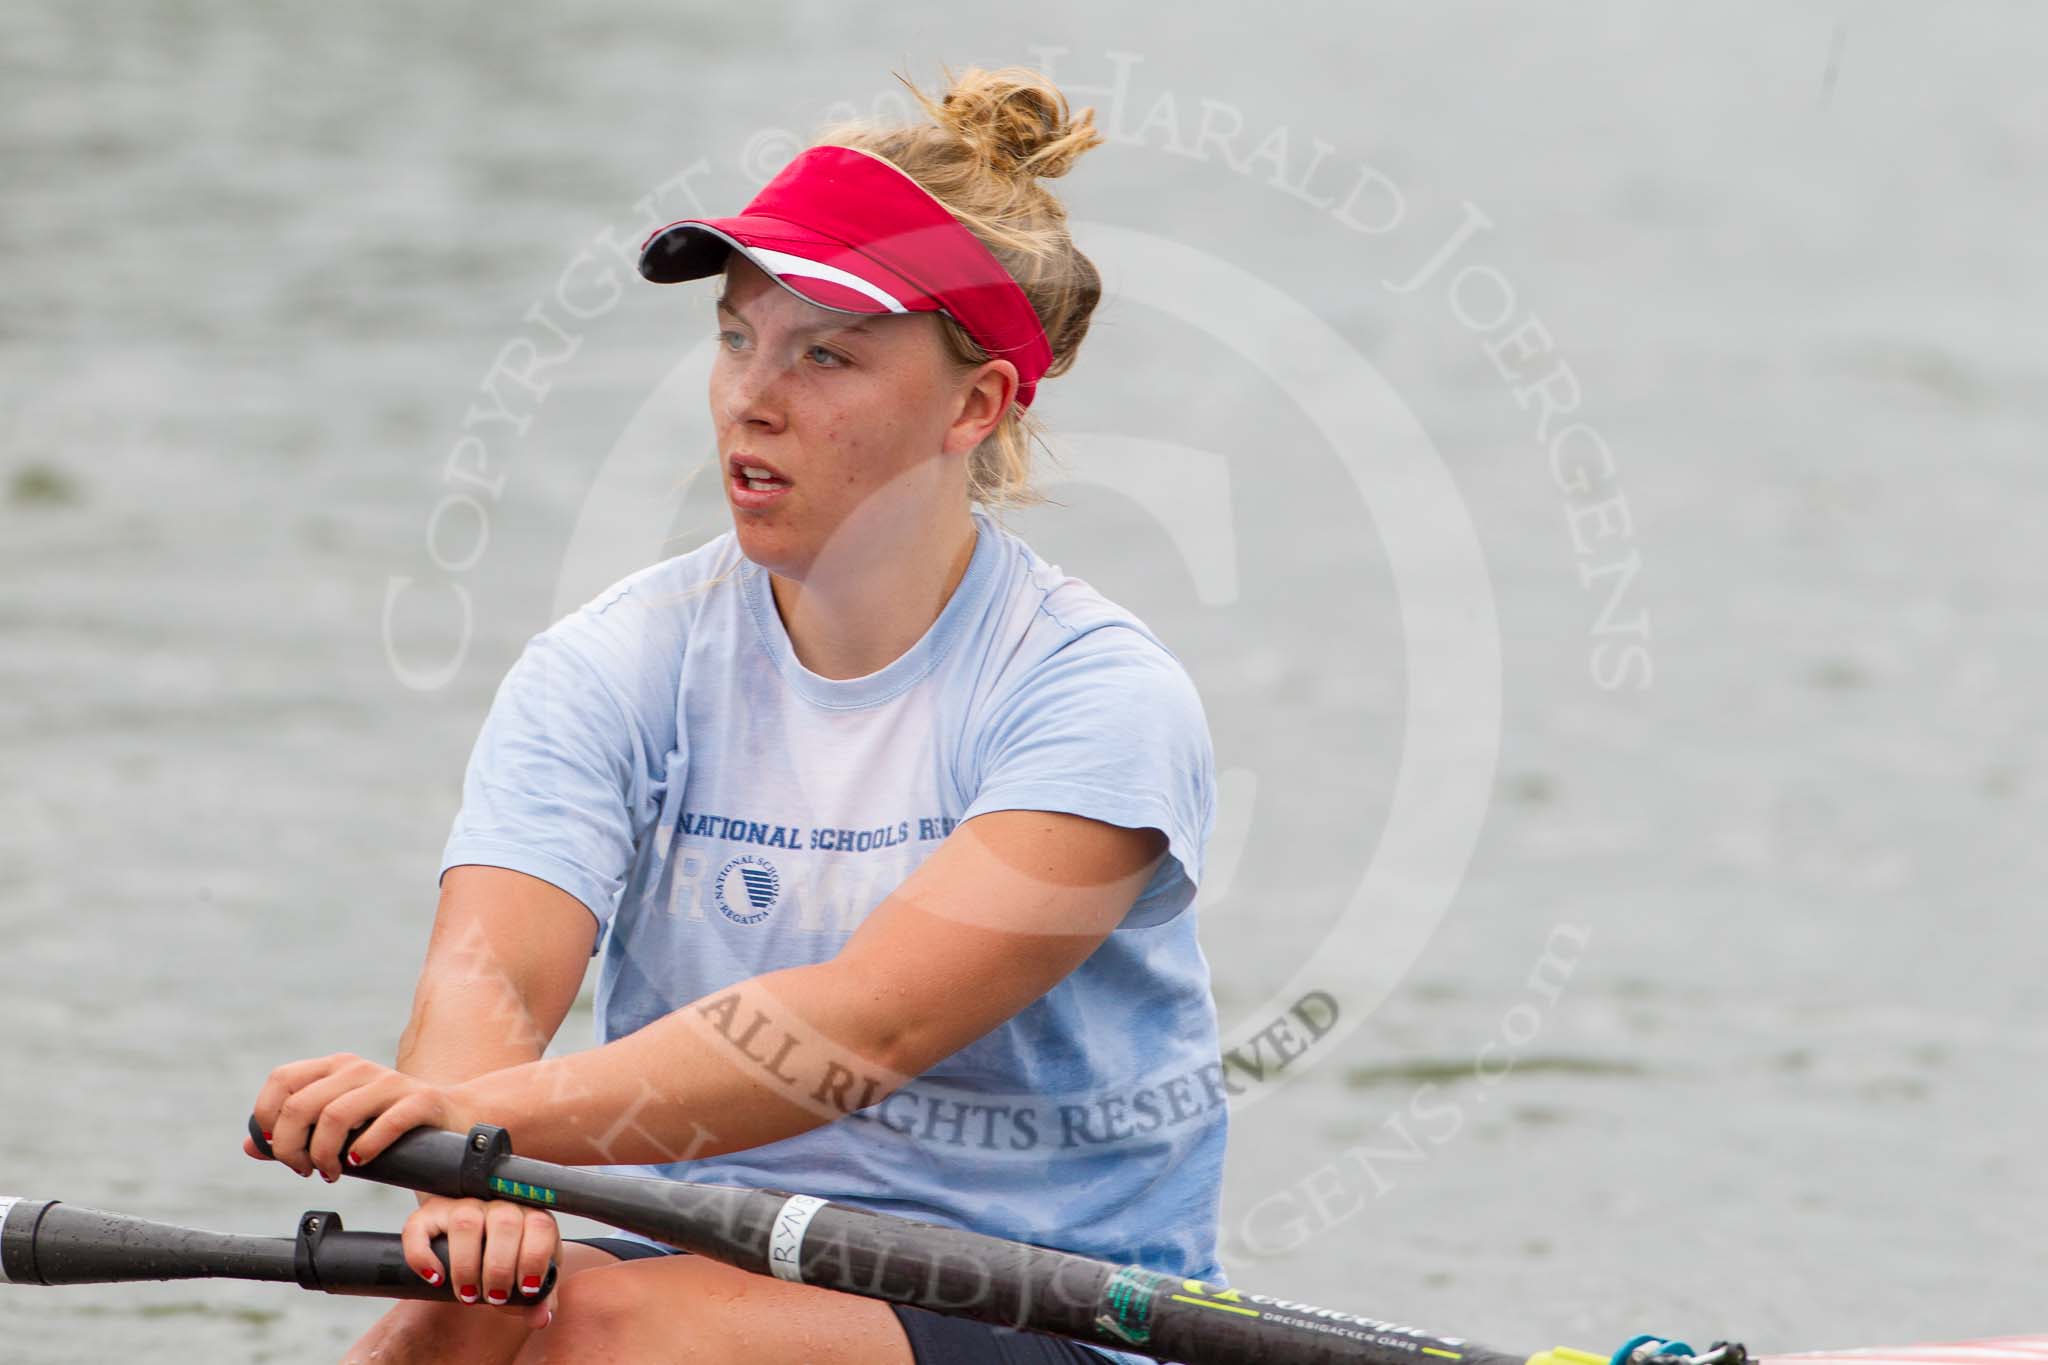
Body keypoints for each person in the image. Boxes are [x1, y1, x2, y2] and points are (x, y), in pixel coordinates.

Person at [249, 65, 1225, 1365]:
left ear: (976, 405)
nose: (751, 396)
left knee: (591, 1316)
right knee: (462, 1310)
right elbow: (490, 968)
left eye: (827, 354)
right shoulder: (611, 662)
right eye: (736, 337)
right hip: (697, 1264)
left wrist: (472, 1119)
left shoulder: (1095, 695)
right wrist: (462, 1163)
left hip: (1045, 1310)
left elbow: (855, 1031)